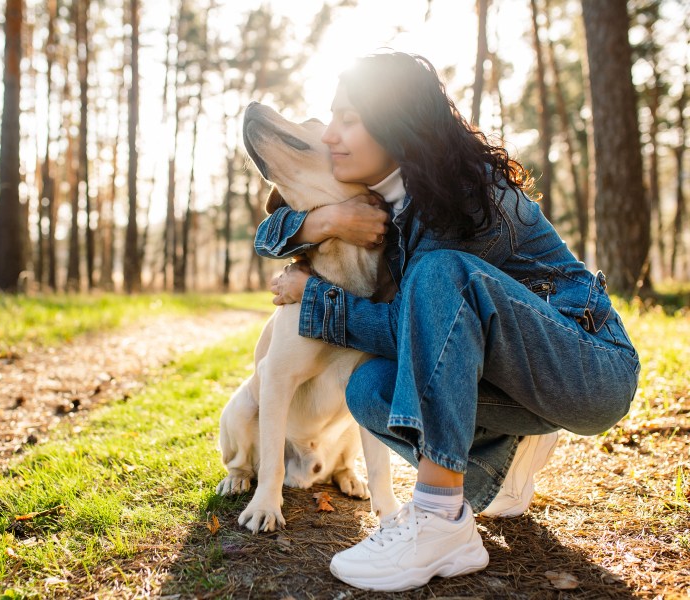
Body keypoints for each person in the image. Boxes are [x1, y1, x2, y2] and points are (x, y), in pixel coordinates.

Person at [254, 51, 640, 592]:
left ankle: (440, 519)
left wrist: (316, 298)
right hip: (516, 377)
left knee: (439, 276)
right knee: (369, 388)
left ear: (395, 124)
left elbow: (420, 331)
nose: (331, 136)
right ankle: (505, 463)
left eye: (348, 119)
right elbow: (268, 235)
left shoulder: (462, 196)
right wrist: (329, 219)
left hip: (589, 367)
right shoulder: (389, 203)